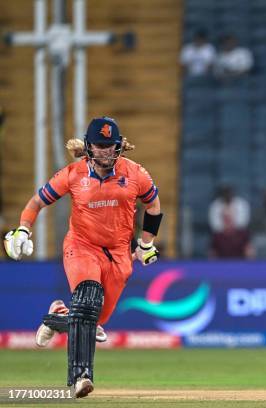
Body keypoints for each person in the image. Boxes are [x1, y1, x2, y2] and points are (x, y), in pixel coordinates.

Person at [3, 117, 162, 398]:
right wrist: (23, 230)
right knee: (88, 300)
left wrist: (146, 244)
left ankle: (56, 317)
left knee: (92, 322)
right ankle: (81, 377)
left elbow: (153, 204)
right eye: (99, 146)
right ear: (89, 147)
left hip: (119, 254)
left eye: (109, 146)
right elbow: (38, 201)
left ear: (119, 147)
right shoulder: (73, 174)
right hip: (81, 245)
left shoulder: (136, 173)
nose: (104, 151)